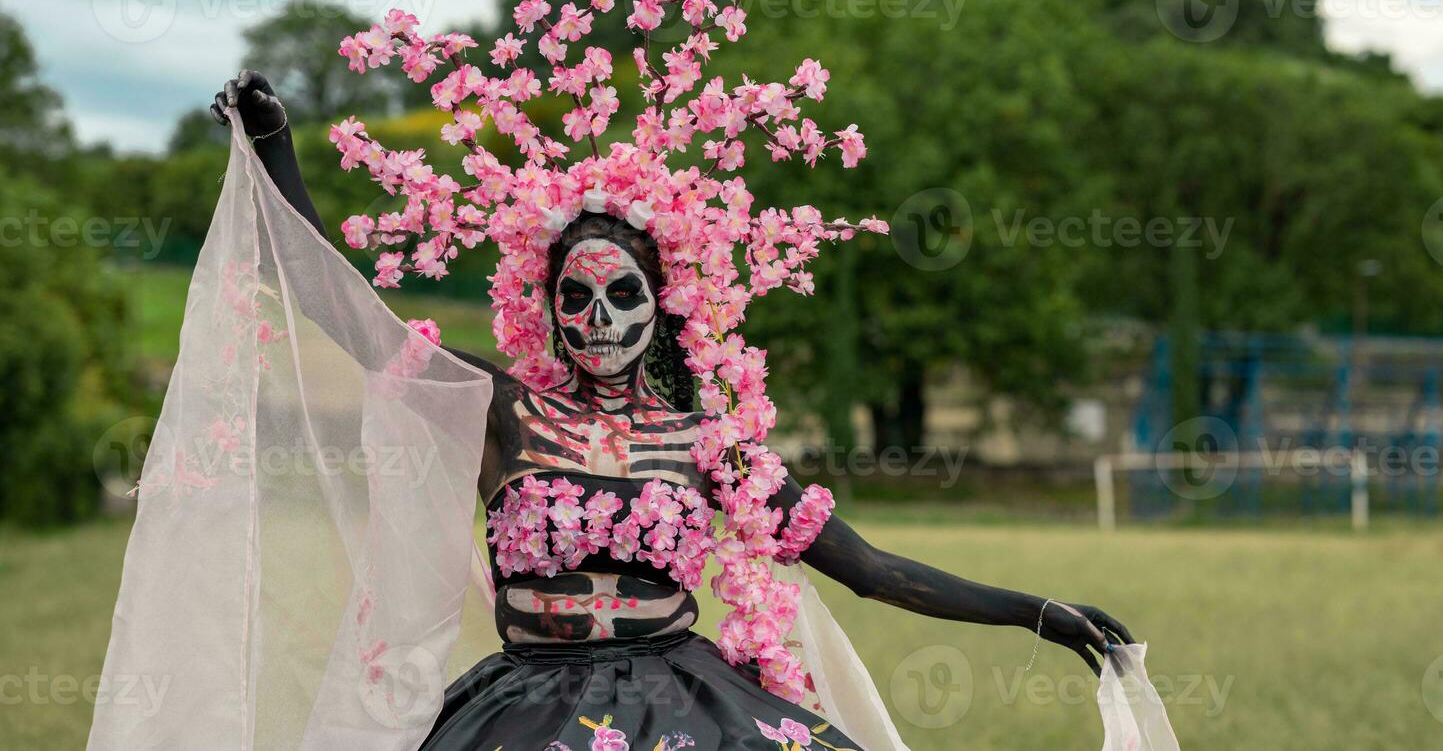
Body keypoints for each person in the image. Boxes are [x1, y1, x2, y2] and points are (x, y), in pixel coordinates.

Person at [201, 65, 1134, 751]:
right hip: (520, 711)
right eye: (575, 297)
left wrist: (1035, 612)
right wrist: (275, 148)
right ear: (547, 305)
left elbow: (874, 569)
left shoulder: (711, 447)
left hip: (692, 707)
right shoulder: (497, 409)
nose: (598, 321)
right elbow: (346, 312)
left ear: (664, 308)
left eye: (621, 299)